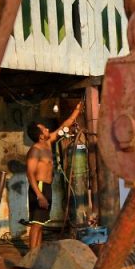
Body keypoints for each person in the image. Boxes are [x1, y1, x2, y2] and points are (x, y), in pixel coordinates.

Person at [24, 100, 82, 250]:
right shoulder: (35, 150)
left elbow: (64, 126)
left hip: (47, 187)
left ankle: (37, 252)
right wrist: (39, 195)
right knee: (36, 225)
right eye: (44, 129)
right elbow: (29, 174)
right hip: (40, 187)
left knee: (41, 224)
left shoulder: (48, 143)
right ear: (40, 136)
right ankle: (32, 255)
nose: (47, 129)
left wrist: (77, 110)